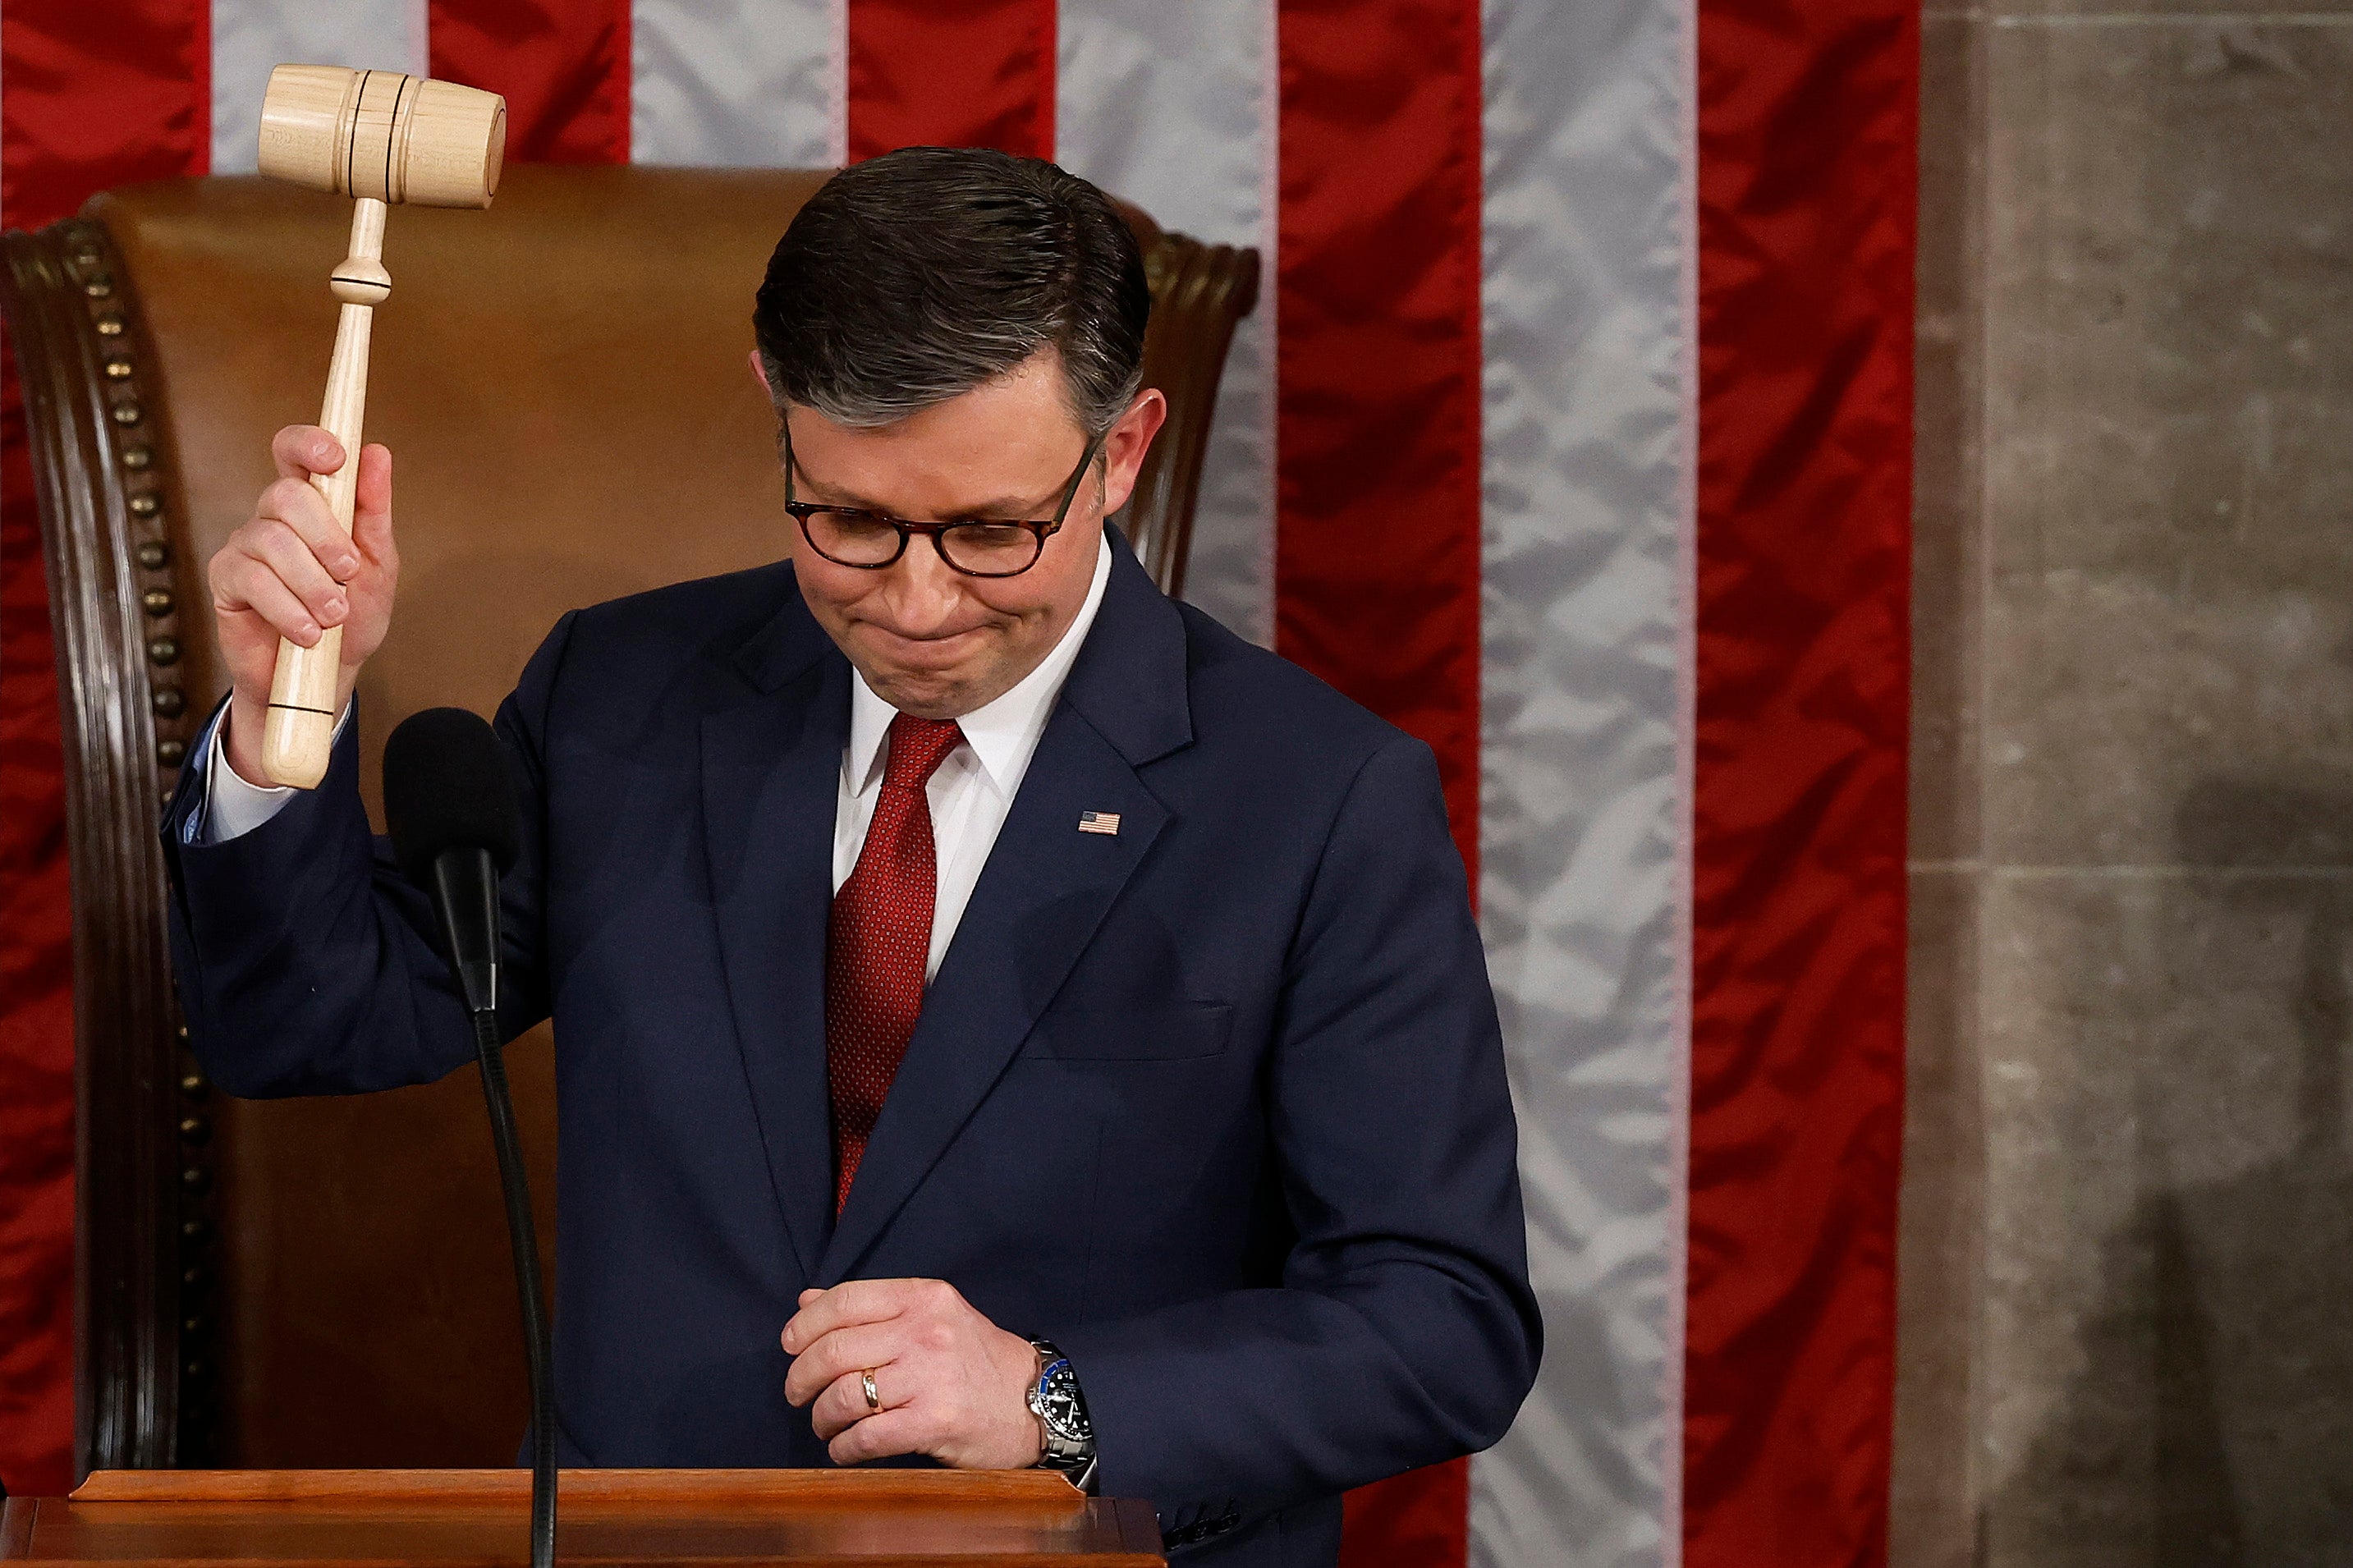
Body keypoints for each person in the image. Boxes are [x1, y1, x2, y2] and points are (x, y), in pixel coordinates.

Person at [164, 147, 1539, 1563]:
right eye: (854, 521)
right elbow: (301, 1026)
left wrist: (1055, 1400)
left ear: (1119, 452)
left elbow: (1443, 1319)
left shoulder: (1318, 798)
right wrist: (279, 734)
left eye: (995, 530)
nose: (920, 600)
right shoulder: (623, 690)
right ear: (779, 411)